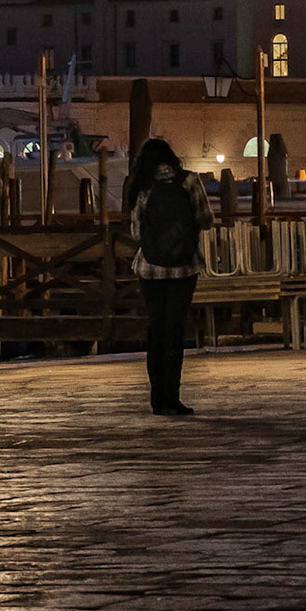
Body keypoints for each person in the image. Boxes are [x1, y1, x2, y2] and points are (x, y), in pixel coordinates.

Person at [127, 138, 214, 416]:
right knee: (175, 331)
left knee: (156, 330)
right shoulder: (189, 181)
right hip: (183, 268)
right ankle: (173, 398)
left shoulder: (142, 184)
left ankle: (157, 399)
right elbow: (206, 219)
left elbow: (136, 233)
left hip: (149, 268)